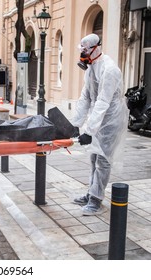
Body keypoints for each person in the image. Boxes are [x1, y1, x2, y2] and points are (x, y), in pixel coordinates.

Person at [71, 33, 129, 216]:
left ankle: (96, 201)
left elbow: (103, 101)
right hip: (100, 119)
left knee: (103, 160)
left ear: (96, 48)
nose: (84, 54)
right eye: (83, 51)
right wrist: (75, 124)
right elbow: (85, 98)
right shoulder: (90, 69)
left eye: (86, 50)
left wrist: (89, 130)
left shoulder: (109, 69)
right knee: (94, 158)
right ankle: (91, 193)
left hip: (111, 119)